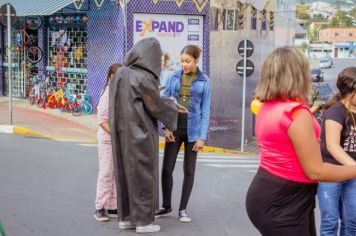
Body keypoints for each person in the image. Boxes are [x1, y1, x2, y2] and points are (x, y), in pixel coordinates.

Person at [245, 46, 356, 236]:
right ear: (297, 75)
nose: (309, 77)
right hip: (285, 200)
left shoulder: (268, 106)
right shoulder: (296, 112)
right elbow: (315, 170)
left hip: (271, 193)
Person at [109, 38, 178, 234]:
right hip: (140, 132)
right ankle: (144, 222)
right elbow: (155, 105)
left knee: (125, 172)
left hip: (121, 132)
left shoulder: (120, 73)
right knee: (143, 174)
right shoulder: (144, 77)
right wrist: (172, 105)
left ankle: (127, 218)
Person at [155, 45, 211, 223]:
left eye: (188, 61)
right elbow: (164, 103)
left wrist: (202, 137)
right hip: (174, 125)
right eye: (182, 61)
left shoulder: (204, 81)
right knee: (166, 169)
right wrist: (164, 127)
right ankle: (166, 206)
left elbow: (206, 110)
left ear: (196, 60)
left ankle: (183, 209)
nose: (184, 64)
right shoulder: (174, 77)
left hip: (193, 128)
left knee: (189, 170)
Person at [317, 67, 356, 236]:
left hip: (352, 175)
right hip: (331, 172)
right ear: (352, 90)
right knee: (330, 221)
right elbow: (333, 146)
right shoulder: (335, 112)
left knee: (352, 222)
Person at [94, 63, 122, 222]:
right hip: (107, 140)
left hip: (116, 140)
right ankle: (99, 207)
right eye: (114, 76)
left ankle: (112, 206)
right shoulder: (107, 94)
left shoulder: (120, 93)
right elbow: (102, 120)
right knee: (106, 173)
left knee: (115, 174)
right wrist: (115, 133)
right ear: (110, 77)